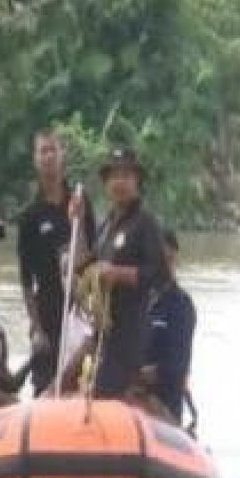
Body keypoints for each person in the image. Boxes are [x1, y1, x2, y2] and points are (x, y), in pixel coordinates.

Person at [17, 129, 96, 396]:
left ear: (62, 156)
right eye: (43, 151)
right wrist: (36, 328)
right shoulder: (31, 216)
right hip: (48, 311)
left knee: (80, 384)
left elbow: (90, 260)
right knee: (44, 386)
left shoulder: (80, 202)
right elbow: (26, 280)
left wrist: (78, 221)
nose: (49, 156)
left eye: (53, 150)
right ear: (35, 159)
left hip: (79, 309)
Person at [91, 147, 169, 399]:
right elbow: (90, 265)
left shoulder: (146, 223)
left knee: (105, 396)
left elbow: (159, 274)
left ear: (137, 180)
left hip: (129, 333)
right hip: (102, 331)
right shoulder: (106, 224)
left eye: (125, 175)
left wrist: (117, 274)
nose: (119, 182)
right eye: (113, 176)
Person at [140, 230, 197, 423]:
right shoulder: (135, 301)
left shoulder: (181, 306)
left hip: (162, 404)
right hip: (128, 399)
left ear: (174, 259)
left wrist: (136, 376)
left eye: (168, 260)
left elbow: (176, 367)